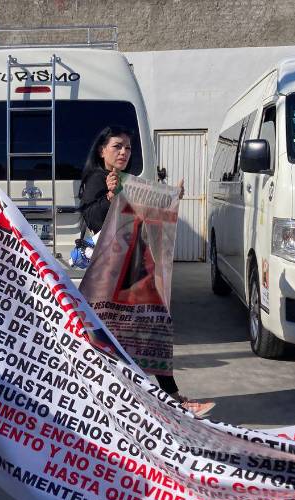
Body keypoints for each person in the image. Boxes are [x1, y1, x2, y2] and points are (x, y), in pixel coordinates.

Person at [79, 125, 215, 416]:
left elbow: (146, 212)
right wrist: (110, 196)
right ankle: (151, 399)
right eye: (117, 146)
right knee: (111, 338)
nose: (124, 152)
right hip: (111, 275)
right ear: (102, 150)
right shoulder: (98, 180)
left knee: (150, 327)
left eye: (127, 147)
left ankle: (169, 397)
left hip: (135, 268)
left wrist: (171, 198)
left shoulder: (130, 181)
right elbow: (93, 220)